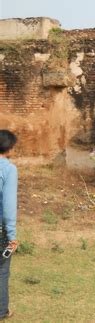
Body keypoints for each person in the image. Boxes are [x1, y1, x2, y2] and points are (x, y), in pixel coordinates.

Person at [0, 130, 19, 320]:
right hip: (0, 230)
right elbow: (8, 206)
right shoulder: (8, 169)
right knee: (2, 270)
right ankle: (1, 311)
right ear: (10, 147)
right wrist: (12, 236)